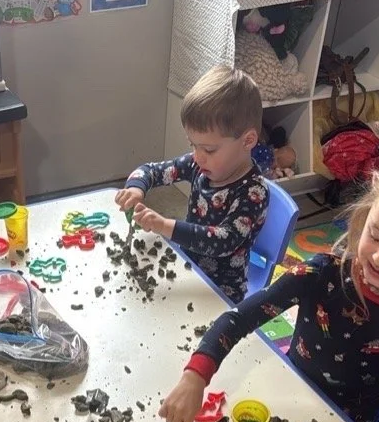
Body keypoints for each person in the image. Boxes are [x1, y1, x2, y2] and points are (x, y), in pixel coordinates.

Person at [159, 155, 379, 422]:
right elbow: (238, 318)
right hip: (292, 400)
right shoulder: (322, 274)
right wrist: (194, 377)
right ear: (364, 217)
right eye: (375, 235)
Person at [115, 65, 269, 303]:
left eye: (208, 149)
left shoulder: (254, 191)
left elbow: (224, 241)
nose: (197, 156)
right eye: (192, 145)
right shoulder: (200, 164)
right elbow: (151, 170)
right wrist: (137, 187)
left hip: (221, 293)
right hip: (187, 270)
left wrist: (165, 225)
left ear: (247, 141)